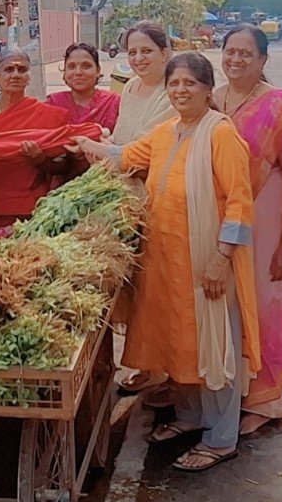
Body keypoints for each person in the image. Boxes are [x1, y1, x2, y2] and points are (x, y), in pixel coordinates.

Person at [74, 53, 260, 472]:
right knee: (181, 342)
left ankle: (220, 439)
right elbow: (125, 156)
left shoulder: (220, 134)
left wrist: (221, 260)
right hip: (168, 264)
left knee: (214, 345)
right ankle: (191, 417)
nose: (180, 90)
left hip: (208, 263)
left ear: (208, 89)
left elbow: (239, 204)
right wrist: (88, 145)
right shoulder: (166, 131)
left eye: (189, 83)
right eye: (174, 83)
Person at [215, 24, 282, 435]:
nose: (236, 60)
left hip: (266, 224)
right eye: (230, 51)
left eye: (246, 54)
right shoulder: (213, 99)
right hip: (223, 221)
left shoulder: (281, 109)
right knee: (228, 309)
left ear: (262, 60)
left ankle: (268, 401)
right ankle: (231, 395)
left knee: (265, 308)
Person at [111, 22, 175, 393]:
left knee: (157, 285)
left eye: (147, 51)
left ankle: (165, 370)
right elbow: (123, 138)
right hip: (125, 197)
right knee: (135, 286)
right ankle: (146, 365)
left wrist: (106, 151)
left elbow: (145, 146)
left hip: (158, 196)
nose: (138, 59)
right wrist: (107, 145)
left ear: (165, 53)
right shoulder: (131, 87)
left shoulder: (172, 90)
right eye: (133, 52)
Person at [0, 48, 70, 217]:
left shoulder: (45, 115)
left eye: (22, 69)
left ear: (28, 77)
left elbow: (63, 165)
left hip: (34, 204)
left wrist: (40, 160)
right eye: (8, 69)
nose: (15, 75)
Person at [47, 42, 121, 133]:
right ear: (65, 73)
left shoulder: (114, 103)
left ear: (98, 71)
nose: (78, 72)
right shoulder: (53, 104)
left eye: (86, 66)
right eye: (72, 66)